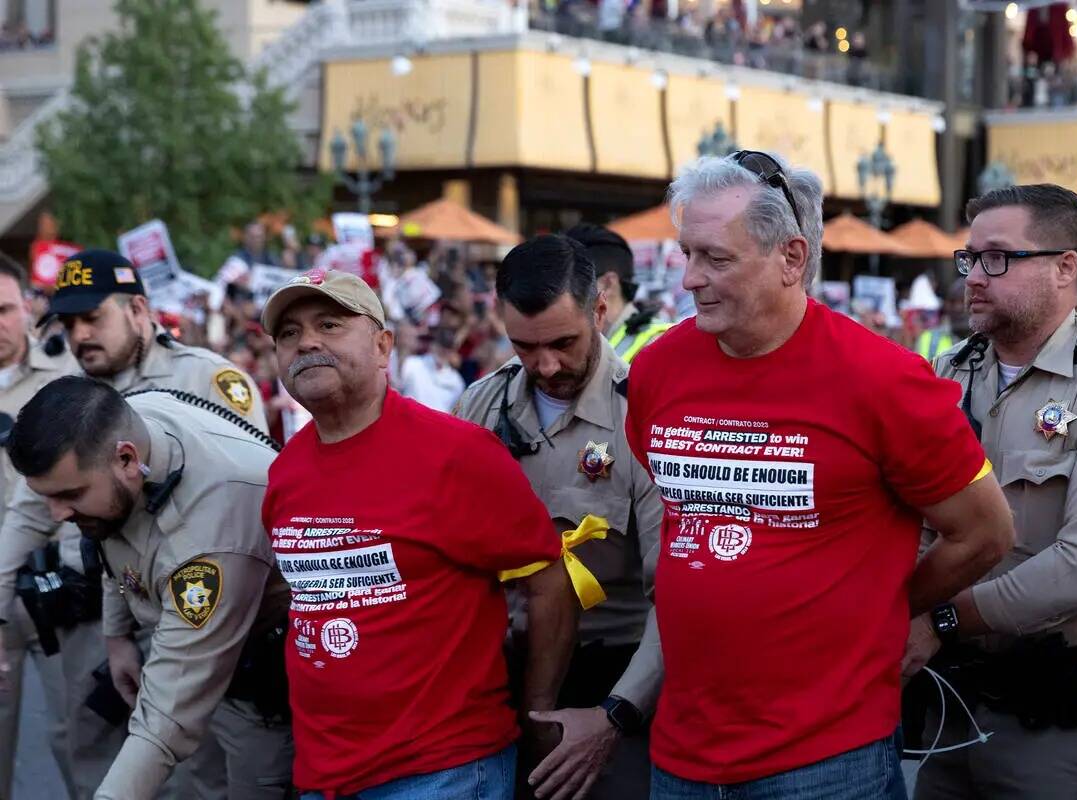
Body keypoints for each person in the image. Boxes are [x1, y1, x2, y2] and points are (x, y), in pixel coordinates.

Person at [623, 151, 1014, 799]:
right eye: (685, 253)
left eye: (716, 258)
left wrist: (888, 604)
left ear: (792, 259)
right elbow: (678, 505)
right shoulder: (657, 369)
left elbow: (986, 533)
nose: (690, 279)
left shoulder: (883, 379)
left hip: (828, 758)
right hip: (683, 751)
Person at [260, 268, 579, 800]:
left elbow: (549, 580)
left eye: (330, 324)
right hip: (324, 774)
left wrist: (537, 713)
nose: (307, 341)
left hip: (442, 770)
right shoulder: (285, 471)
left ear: (384, 346)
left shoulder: (457, 454)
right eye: (288, 333)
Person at [910, 185, 1077, 800]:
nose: (974, 277)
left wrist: (940, 620)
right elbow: (913, 522)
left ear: (1065, 268)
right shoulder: (948, 374)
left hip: (1059, 725)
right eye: (969, 257)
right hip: (955, 706)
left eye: (998, 257)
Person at [0, 249, 267, 799]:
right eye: (69, 323)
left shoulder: (205, 380)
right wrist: (116, 631)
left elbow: (229, 518)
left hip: (212, 611)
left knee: (204, 767)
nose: (80, 336)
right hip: (114, 601)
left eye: (92, 318)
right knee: (90, 749)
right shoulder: (72, 396)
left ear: (139, 309)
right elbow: (65, 521)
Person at [455, 235, 664, 800]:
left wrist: (616, 713)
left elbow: (674, 598)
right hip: (494, 676)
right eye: (523, 346)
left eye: (563, 342)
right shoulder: (478, 407)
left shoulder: (646, 415)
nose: (546, 365)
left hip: (610, 678)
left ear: (601, 308)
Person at [0, 253, 77, 800]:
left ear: (28, 307)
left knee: (79, 744)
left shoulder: (67, 377)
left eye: (3, 308)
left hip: (56, 590)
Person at [564, 224, 671, 364]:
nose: (555, 296)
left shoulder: (659, 345)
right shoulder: (590, 343)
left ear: (607, 284)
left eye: (566, 285)